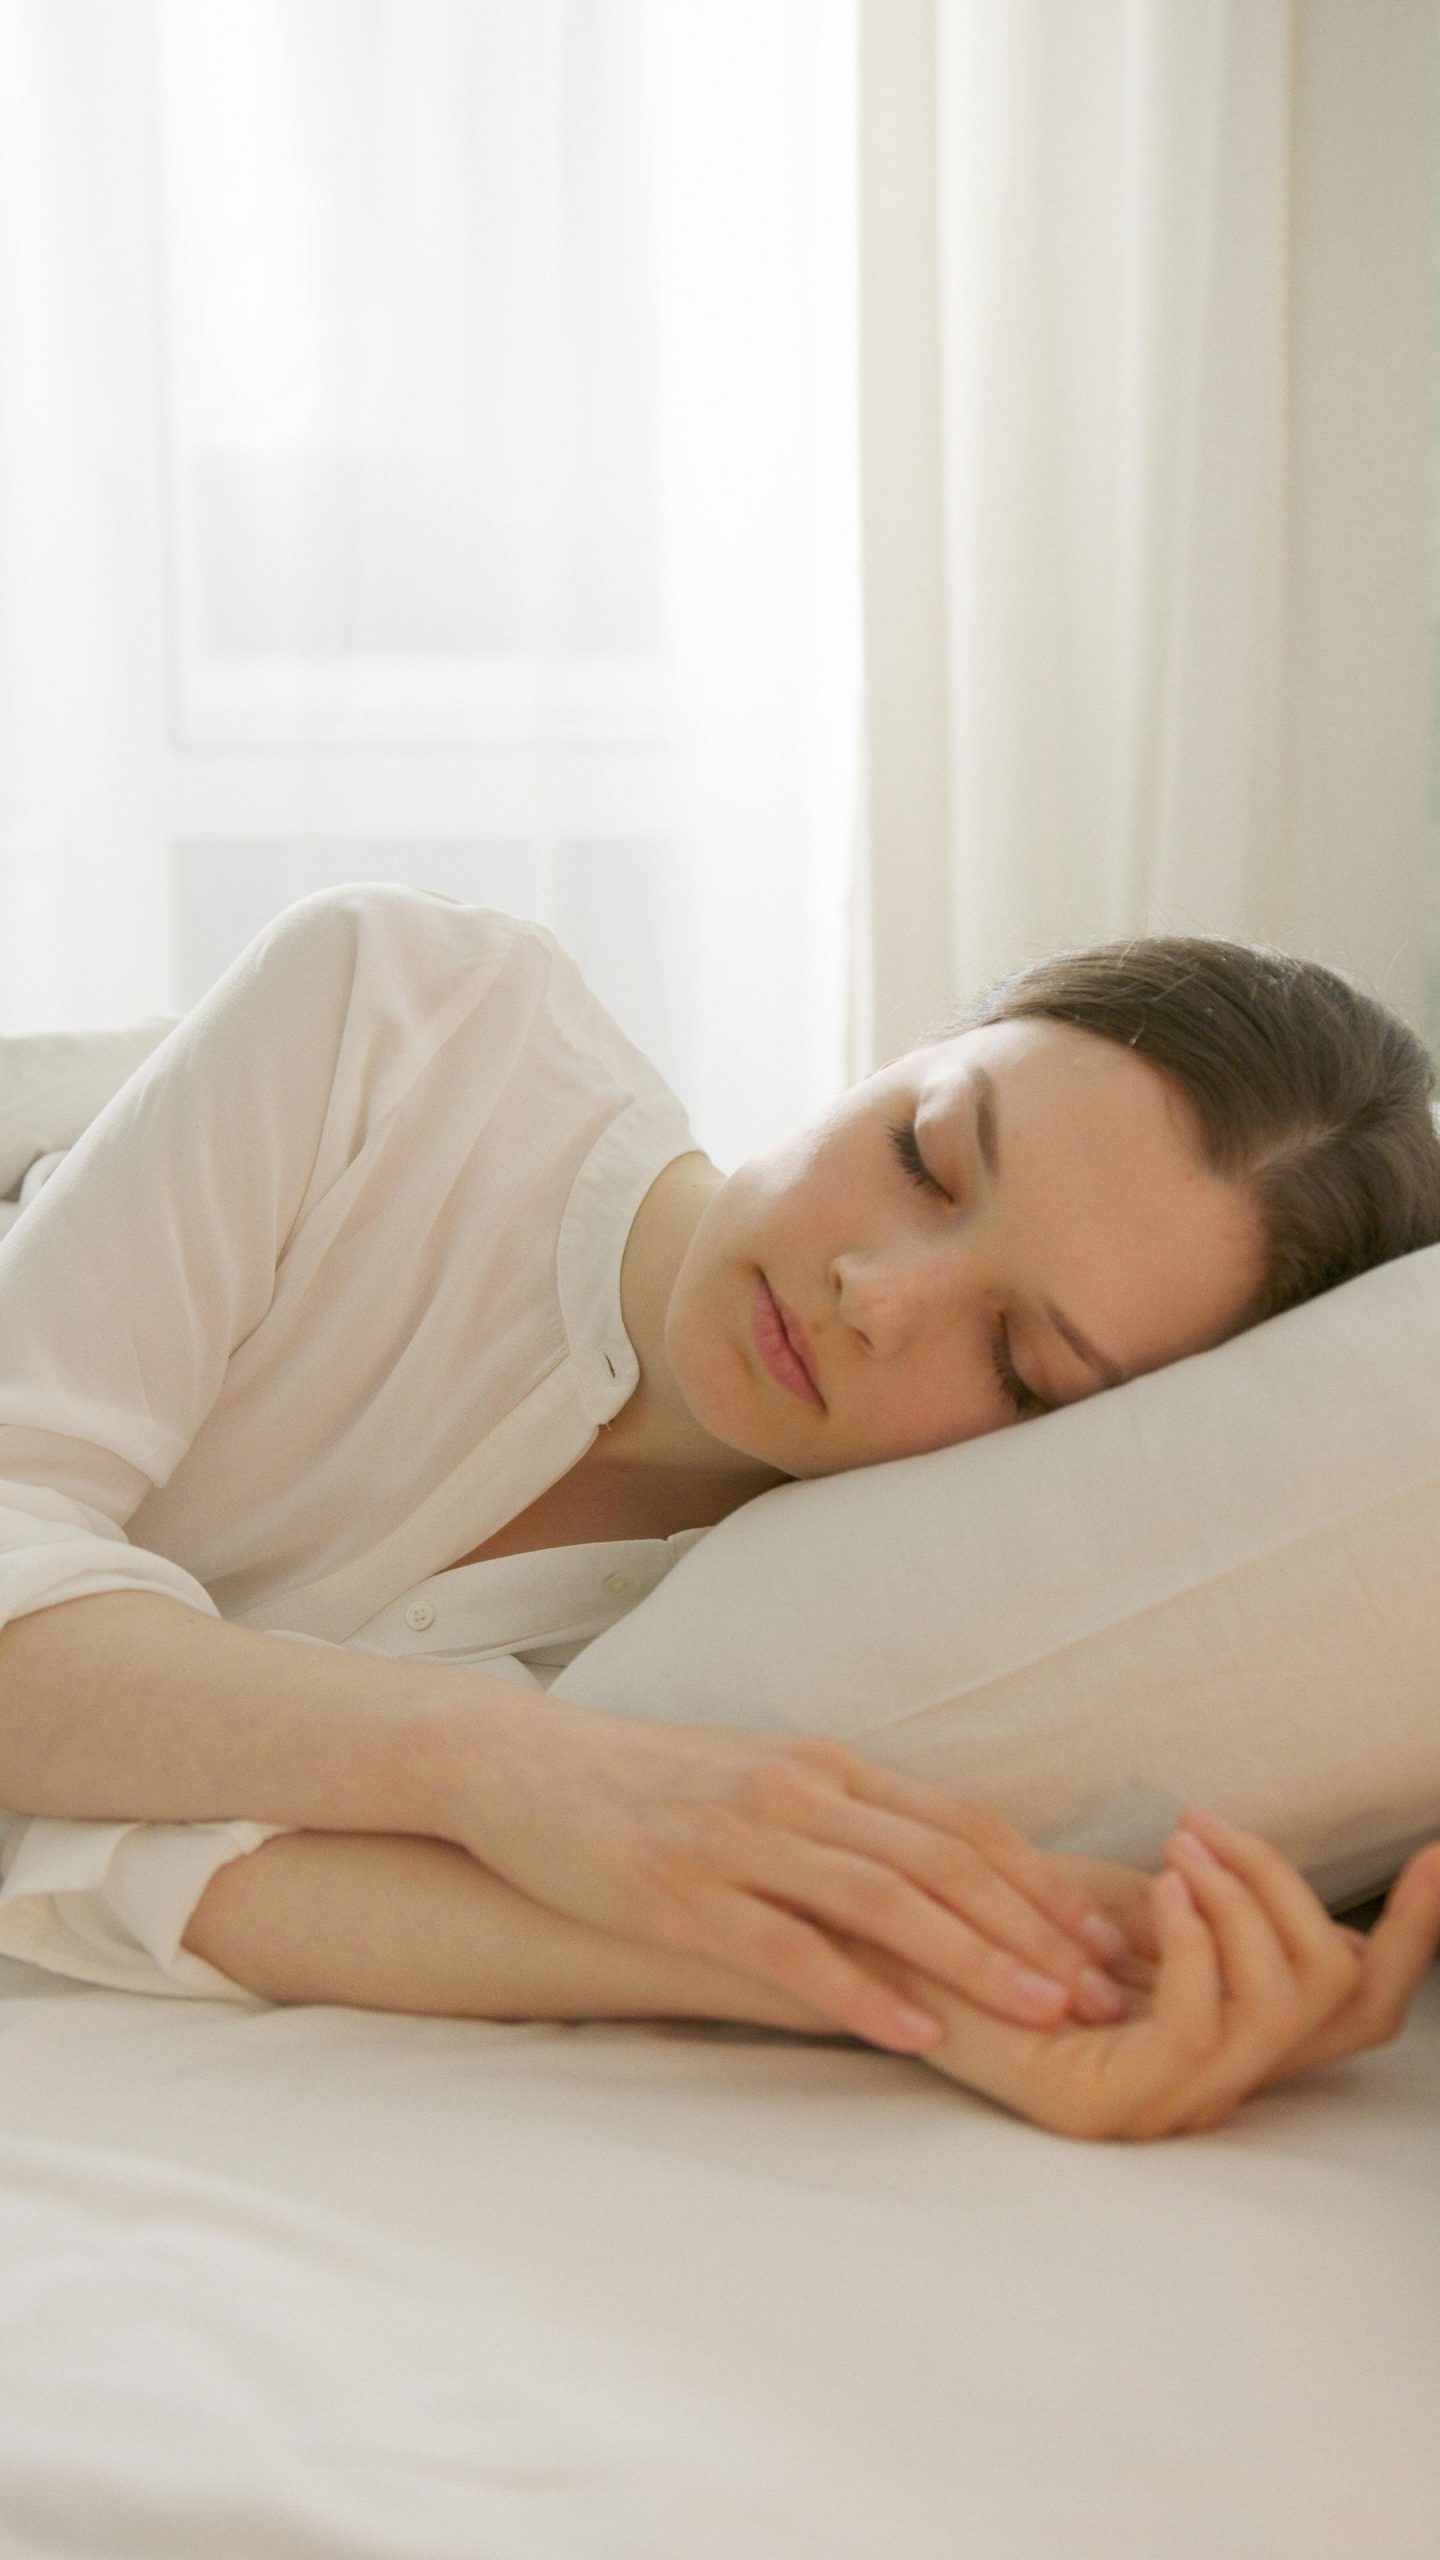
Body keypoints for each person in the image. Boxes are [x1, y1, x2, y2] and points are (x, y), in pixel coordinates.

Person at [0, 885, 1437, 2141]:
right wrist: (510, 1765)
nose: (876, 1294)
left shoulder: (785, 1637)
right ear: (911, 1050)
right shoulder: (413, 1019)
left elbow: (122, 1863)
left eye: (1020, 1364)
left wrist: (949, 1998)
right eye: (926, 1156)